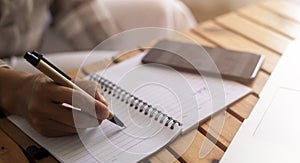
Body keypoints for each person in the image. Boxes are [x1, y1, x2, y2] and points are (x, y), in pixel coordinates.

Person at [0, 0, 196, 136]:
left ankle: (197, 93)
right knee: (116, 62)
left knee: (169, 12)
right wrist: (17, 90)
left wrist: (112, 59)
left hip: (33, 31)